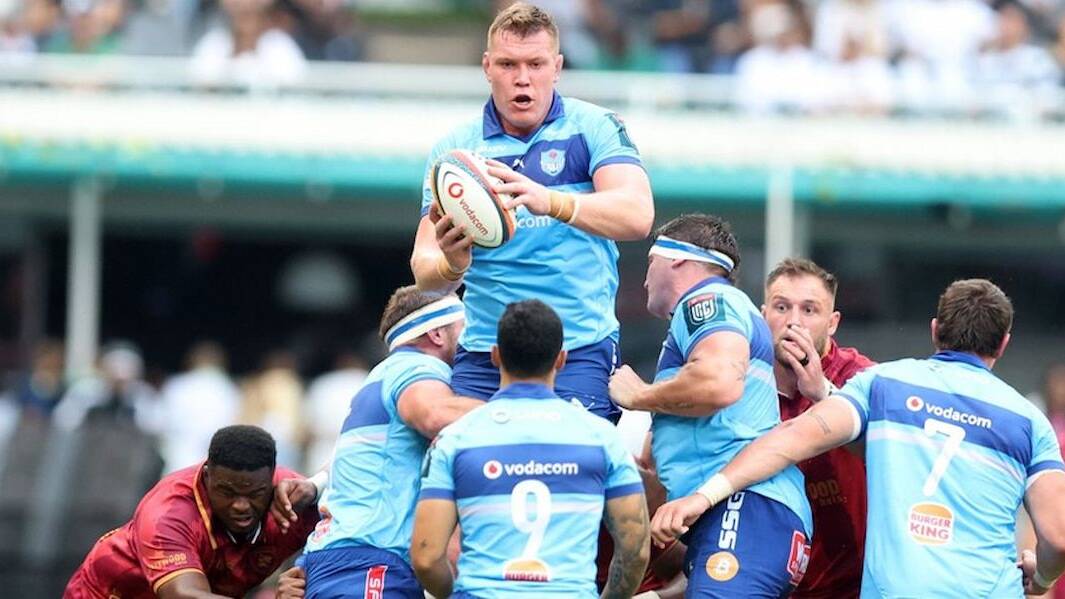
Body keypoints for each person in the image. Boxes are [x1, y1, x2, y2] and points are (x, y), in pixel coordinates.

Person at [653, 279, 1065, 597]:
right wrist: (1043, 576)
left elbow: (791, 439)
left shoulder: (885, 385)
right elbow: (1059, 538)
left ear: (935, 330)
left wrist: (703, 496)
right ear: (1003, 344)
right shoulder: (1030, 422)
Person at [410, 2, 654, 423]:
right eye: (508, 64)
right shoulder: (456, 153)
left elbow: (637, 215)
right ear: (487, 67)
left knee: (568, 456)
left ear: (556, 67)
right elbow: (423, 273)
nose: (522, 78)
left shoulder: (594, 126)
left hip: (576, 348)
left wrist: (552, 201)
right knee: (463, 455)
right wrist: (452, 265)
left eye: (536, 64)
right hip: (488, 351)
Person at [609, 214, 812, 597]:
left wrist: (639, 396)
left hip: (747, 507)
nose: (646, 279)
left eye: (651, 262)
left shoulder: (707, 300)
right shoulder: (722, 309)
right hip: (748, 515)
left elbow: (719, 384)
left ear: (677, 259)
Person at [411, 300, 650, 598]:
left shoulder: (455, 439)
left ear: (495, 356)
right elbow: (635, 549)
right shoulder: (601, 437)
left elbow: (426, 557)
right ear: (561, 359)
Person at [296, 286, 483, 598]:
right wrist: (524, 407)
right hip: (370, 560)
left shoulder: (381, 376)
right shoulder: (418, 368)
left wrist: (314, 484)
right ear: (437, 334)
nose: (472, 339)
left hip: (350, 559)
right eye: (465, 327)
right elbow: (434, 415)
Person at [64, 424, 319, 598]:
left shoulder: (296, 499)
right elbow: (183, 595)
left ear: (271, 479)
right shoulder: (167, 513)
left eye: (255, 494)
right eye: (227, 492)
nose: (241, 506)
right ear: (206, 476)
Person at [763, 258, 874, 598]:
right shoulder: (741, 383)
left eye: (809, 310)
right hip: (768, 582)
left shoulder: (862, 378)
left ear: (832, 322)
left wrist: (822, 394)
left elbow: (896, 453)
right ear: (763, 314)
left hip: (854, 585)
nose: (794, 322)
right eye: (782, 307)